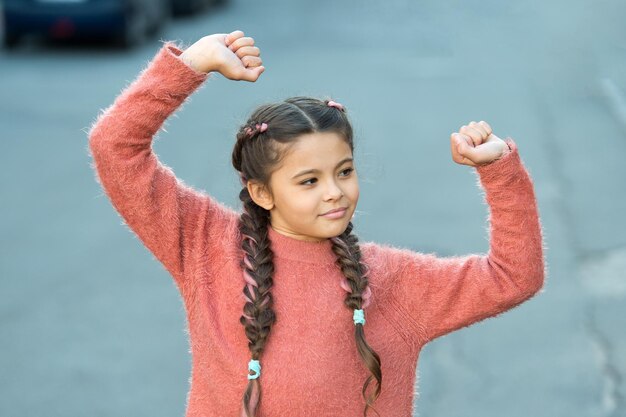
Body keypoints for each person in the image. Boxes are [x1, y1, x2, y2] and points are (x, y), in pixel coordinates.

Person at [87, 30, 546, 417]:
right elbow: (114, 146)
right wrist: (190, 64)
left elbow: (512, 277)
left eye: (344, 171)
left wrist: (499, 169)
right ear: (261, 192)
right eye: (308, 180)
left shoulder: (393, 281)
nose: (334, 191)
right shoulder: (206, 246)